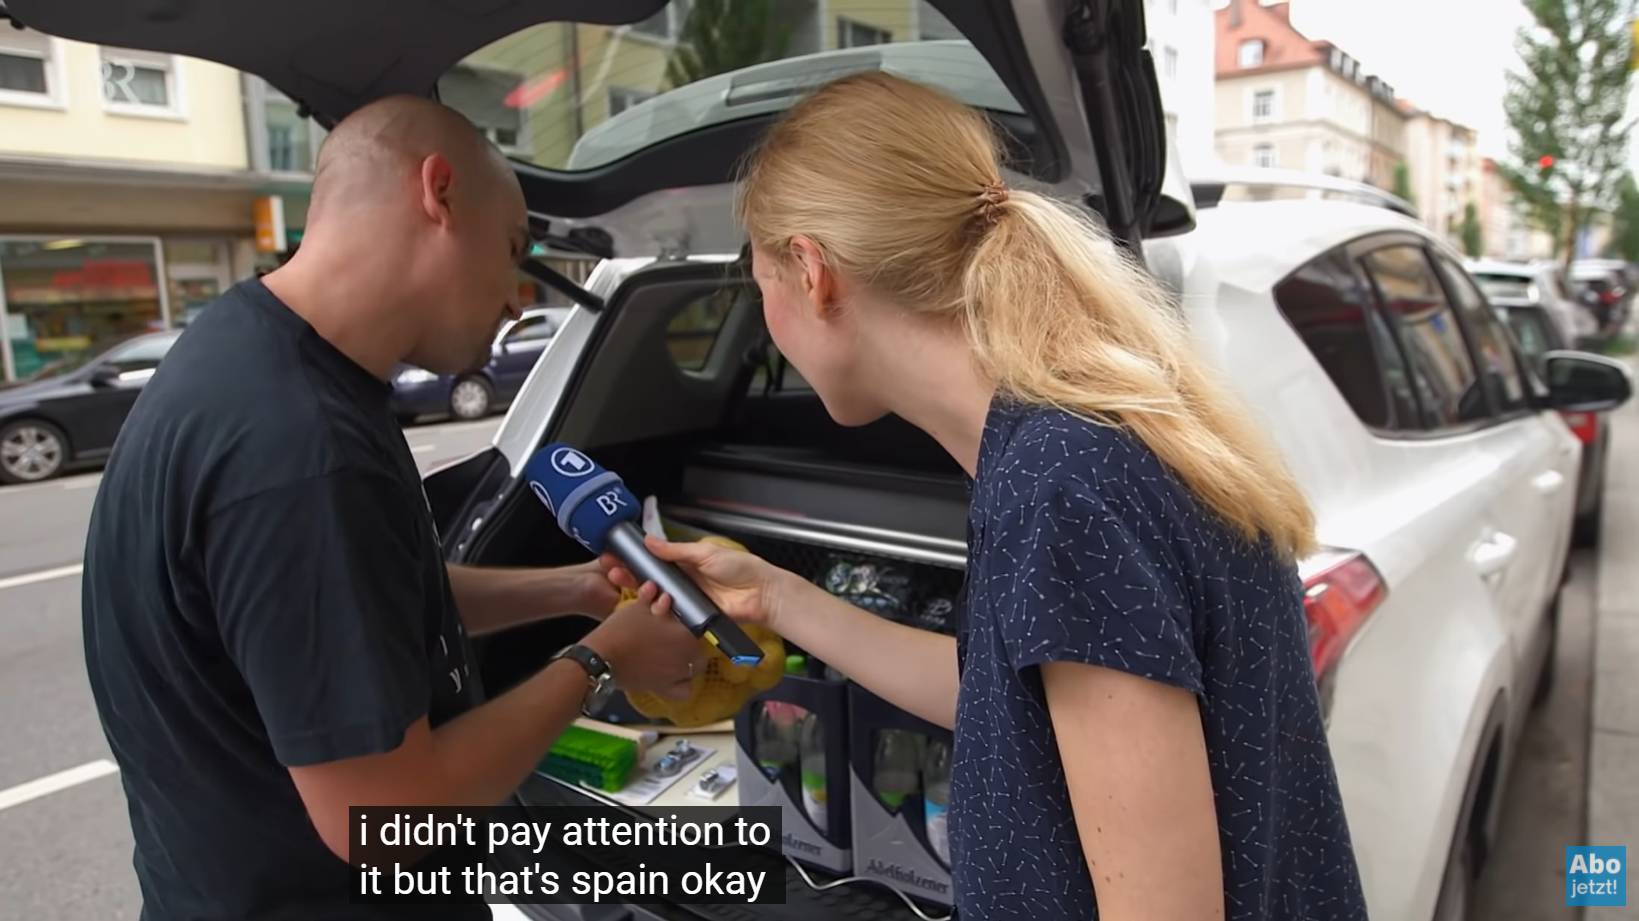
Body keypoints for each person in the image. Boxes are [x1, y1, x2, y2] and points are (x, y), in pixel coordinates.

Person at [606, 74, 1369, 921]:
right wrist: (774, 596)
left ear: (814, 273)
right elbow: (1011, 705)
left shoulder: (1062, 487)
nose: (769, 320)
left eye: (762, 285)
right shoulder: (1063, 445)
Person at [81, 96, 705, 921]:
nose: (522, 297)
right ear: (437, 193)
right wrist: (600, 659)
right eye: (516, 248)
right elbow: (387, 820)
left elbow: (355, 601)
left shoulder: (253, 357)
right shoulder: (299, 449)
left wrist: (575, 590)